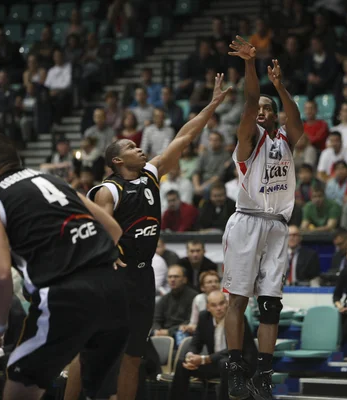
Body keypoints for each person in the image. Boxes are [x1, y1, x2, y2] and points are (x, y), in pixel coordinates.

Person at [77, 74, 232, 400]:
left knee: (134, 354)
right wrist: (107, 254)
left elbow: (185, 135)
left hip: (143, 275)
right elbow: (93, 228)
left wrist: (213, 104)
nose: (140, 148)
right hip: (114, 277)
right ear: (117, 160)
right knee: (97, 351)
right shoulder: (108, 190)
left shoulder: (151, 173)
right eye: (132, 147)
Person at [0, 132, 128, 400]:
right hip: (113, 290)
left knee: (19, 385)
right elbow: (113, 228)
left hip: (64, 297)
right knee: (101, 394)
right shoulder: (52, 179)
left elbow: (0, 274)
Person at [223, 36, 304, 400]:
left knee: (270, 305)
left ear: (274, 115)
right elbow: (250, 100)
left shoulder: (286, 139)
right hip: (246, 220)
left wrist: (280, 87)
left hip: (277, 225)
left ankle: (263, 374)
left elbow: (297, 122)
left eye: (268, 109)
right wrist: (250, 66)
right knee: (238, 300)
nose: (261, 111)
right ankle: (236, 368)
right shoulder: (246, 141)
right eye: (258, 108)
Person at [169, 291, 257, 400]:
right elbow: (196, 342)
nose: (219, 308)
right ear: (208, 307)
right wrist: (190, 355)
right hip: (216, 363)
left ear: (227, 304)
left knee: (225, 363)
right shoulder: (203, 317)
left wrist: (205, 359)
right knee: (182, 363)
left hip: (240, 364)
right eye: (214, 305)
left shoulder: (238, 318)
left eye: (221, 304)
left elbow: (234, 349)